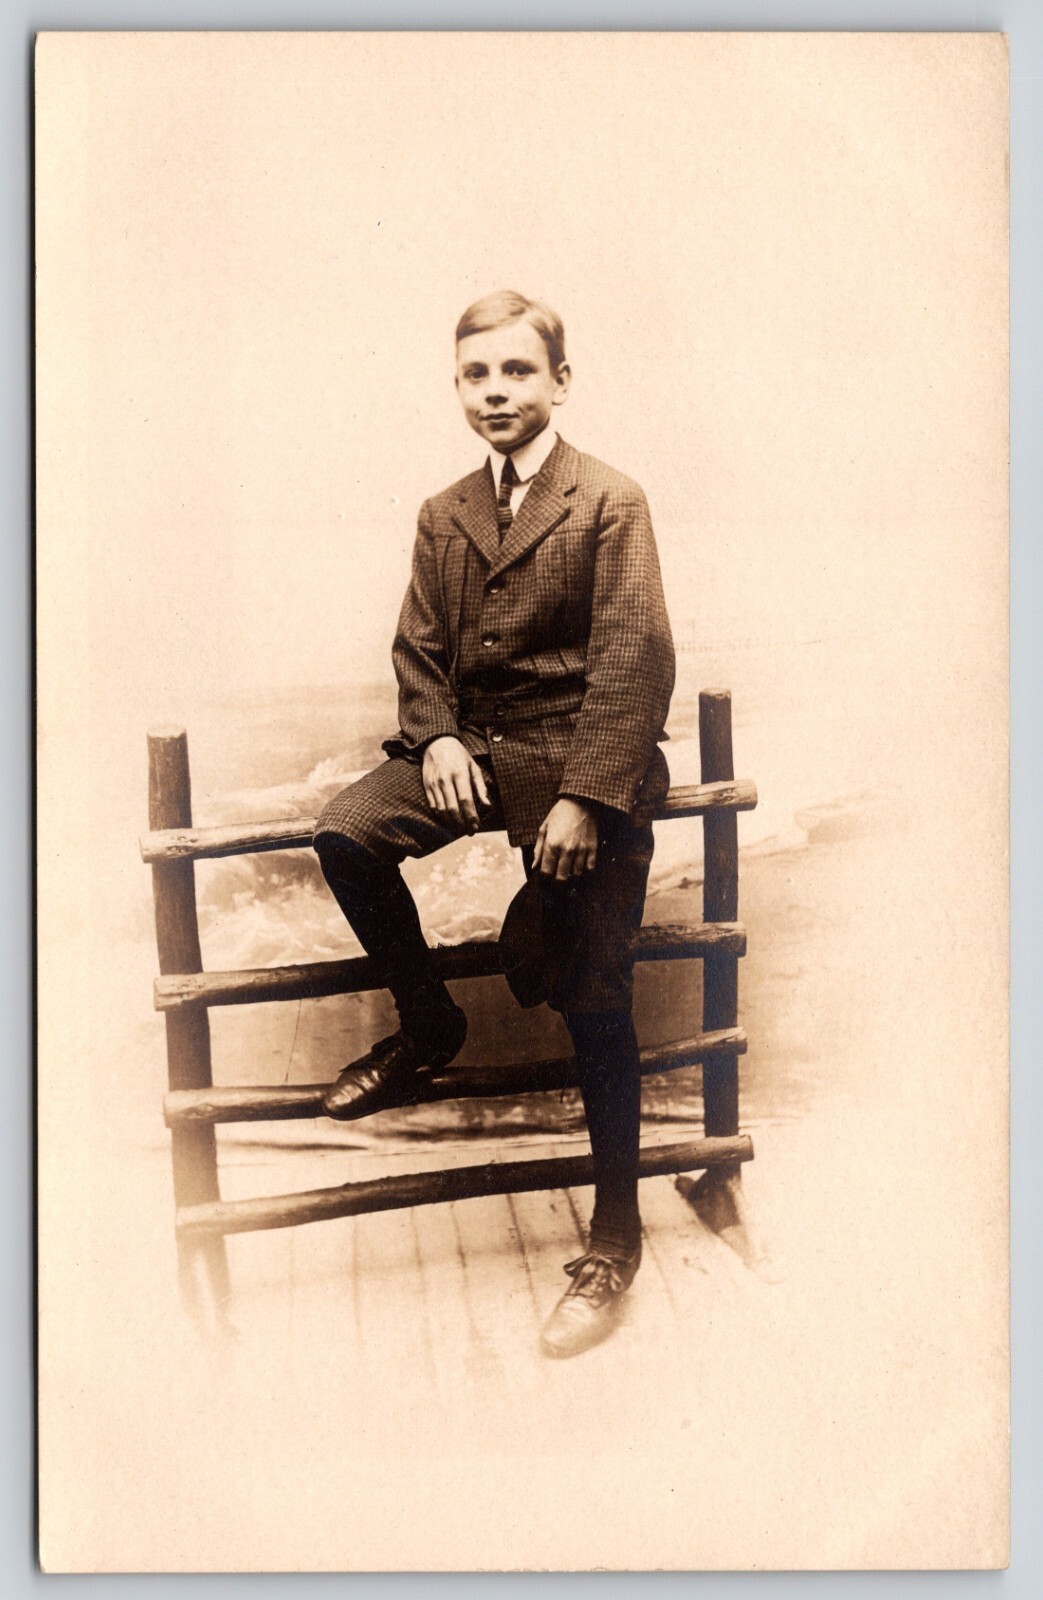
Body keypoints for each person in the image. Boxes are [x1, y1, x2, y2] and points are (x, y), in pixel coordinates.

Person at [313, 290, 675, 1357]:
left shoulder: (609, 499)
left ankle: (614, 1238)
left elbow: (633, 660)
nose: (496, 393)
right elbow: (419, 651)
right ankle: (428, 1023)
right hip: (477, 752)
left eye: (517, 372)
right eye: (476, 375)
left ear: (559, 381)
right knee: (345, 830)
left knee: (587, 987)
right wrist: (433, 738)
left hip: (581, 760)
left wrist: (584, 798)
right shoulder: (443, 513)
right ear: (457, 388)